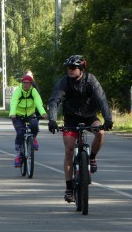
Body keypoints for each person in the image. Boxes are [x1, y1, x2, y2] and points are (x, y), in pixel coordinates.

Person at [48, 55, 113, 203]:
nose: (70, 71)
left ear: (81, 69)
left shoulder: (91, 80)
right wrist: (52, 119)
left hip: (89, 116)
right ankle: (69, 188)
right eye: (68, 68)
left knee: (100, 132)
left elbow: (101, 99)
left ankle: (92, 158)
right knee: (69, 150)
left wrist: (108, 119)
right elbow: (54, 100)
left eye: (73, 68)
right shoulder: (65, 82)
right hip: (71, 118)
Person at [9, 75, 47, 167]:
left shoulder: (33, 91)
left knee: (35, 126)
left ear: (31, 84)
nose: (25, 85)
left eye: (28, 83)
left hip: (30, 114)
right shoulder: (18, 91)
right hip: (18, 116)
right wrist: (12, 113)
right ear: (22, 83)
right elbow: (13, 102)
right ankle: (18, 156)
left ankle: (33, 139)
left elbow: (38, 102)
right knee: (20, 133)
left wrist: (43, 113)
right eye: (24, 83)